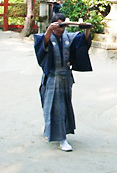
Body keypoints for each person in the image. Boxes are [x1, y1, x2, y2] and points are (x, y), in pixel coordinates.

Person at [33, 13, 92, 152]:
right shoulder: (45, 35)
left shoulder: (68, 37)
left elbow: (82, 42)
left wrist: (87, 30)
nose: (60, 29)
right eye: (58, 26)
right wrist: (49, 30)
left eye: (63, 26)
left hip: (66, 77)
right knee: (53, 107)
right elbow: (42, 45)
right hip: (53, 77)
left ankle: (59, 134)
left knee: (63, 108)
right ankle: (60, 138)